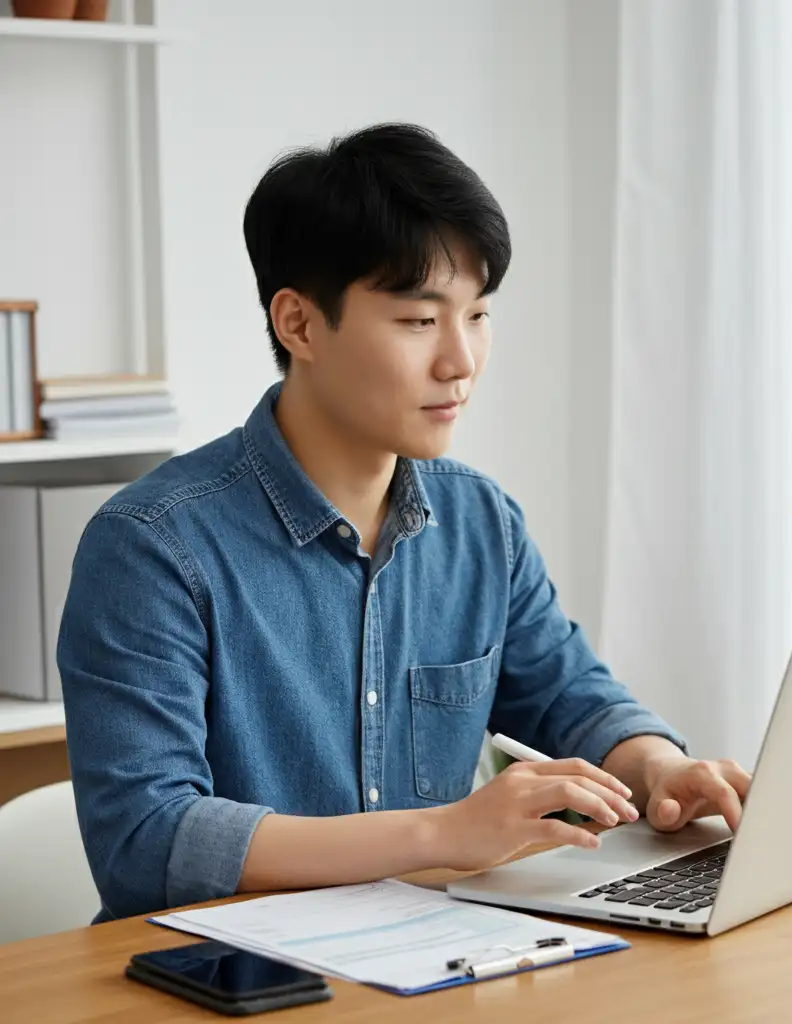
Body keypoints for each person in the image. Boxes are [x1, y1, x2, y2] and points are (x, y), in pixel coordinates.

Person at [58, 124, 751, 922]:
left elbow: (572, 701)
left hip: (432, 952)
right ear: (300, 325)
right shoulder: (152, 545)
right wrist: (442, 833)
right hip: (226, 978)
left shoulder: (479, 520)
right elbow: (150, 841)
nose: (460, 361)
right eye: (420, 322)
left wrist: (659, 768)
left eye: (478, 314)